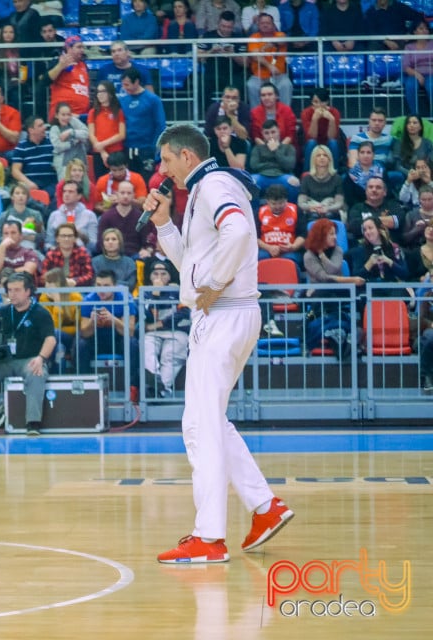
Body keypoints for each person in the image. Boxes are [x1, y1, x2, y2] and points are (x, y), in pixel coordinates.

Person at [145, 123, 293, 564]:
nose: (162, 168)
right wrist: (163, 224)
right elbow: (191, 261)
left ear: (187, 156)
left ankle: (209, 537)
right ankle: (265, 507)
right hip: (227, 313)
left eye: (167, 159)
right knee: (209, 421)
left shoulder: (213, 184)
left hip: (224, 312)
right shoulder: (206, 188)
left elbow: (239, 236)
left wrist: (212, 282)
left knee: (199, 427)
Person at [0, 271, 56, 435]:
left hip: (30, 359)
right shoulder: (3, 312)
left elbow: (50, 339)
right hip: (7, 361)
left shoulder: (41, 313)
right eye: (10, 290)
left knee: (36, 373)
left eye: (17, 290)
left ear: (28, 291)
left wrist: (41, 358)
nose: (13, 294)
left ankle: (33, 422)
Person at [75, 270, 138, 380]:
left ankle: (132, 386)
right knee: (80, 343)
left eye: (106, 286)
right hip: (97, 339)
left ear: (114, 286)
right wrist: (93, 321)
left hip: (117, 339)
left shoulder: (125, 299)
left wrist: (113, 319)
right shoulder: (89, 300)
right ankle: (85, 383)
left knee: (132, 343)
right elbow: (84, 333)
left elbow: (130, 331)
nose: (101, 290)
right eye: (98, 285)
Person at [143, 261, 190, 396]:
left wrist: (159, 324)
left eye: (163, 274)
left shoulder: (179, 292)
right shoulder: (145, 293)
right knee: (147, 349)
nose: (159, 277)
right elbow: (145, 316)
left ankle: (161, 390)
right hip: (153, 334)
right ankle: (156, 384)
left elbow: (184, 313)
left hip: (178, 332)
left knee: (170, 356)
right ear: (150, 277)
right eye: (155, 274)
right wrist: (155, 295)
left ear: (169, 277)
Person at [120, 68, 167, 180]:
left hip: (147, 149)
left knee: (147, 181)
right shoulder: (123, 100)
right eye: (123, 85)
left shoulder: (152, 100)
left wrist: (156, 148)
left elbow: (160, 125)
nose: (124, 88)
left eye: (127, 85)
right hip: (128, 148)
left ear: (136, 82)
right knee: (130, 182)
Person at [198, 11, 248, 111]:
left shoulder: (238, 38)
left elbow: (245, 63)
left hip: (233, 74)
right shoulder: (208, 36)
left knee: (241, 84)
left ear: (233, 26)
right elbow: (199, 58)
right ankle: (207, 115)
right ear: (218, 24)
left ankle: (237, 115)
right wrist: (212, 51)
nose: (225, 29)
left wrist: (233, 54)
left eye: (229, 27)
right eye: (223, 26)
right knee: (202, 84)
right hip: (212, 74)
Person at [348, 215, 409, 293]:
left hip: (391, 288)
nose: (367, 232)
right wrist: (369, 264)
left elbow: (405, 273)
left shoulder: (394, 248)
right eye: (365, 230)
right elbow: (356, 277)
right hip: (369, 289)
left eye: (370, 228)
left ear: (379, 229)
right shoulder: (359, 251)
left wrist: (389, 262)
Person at [40, 267, 83, 373]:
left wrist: (64, 330)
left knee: (55, 334)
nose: (47, 286)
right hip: (55, 339)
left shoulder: (76, 297)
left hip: (74, 339)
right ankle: (58, 381)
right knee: (59, 347)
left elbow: (80, 326)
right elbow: (52, 326)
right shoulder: (44, 299)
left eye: (51, 282)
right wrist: (57, 302)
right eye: (46, 282)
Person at [98, 181, 156, 258]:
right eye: (122, 193)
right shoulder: (107, 217)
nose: (125, 196)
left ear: (134, 195)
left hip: (135, 255)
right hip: (111, 255)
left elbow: (148, 241)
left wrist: (147, 251)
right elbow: (100, 242)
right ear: (117, 194)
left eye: (129, 193)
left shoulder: (141, 217)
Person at [303, 217, 364, 290]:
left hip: (338, 288)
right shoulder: (309, 256)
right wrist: (350, 280)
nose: (335, 237)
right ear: (320, 236)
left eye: (335, 234)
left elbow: (332, 270)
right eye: (331, 234)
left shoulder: (337, 250)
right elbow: (323, 278)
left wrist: (322, 256)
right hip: (318, 289)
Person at [256, 183, 306, 271]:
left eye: (281, 203)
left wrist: (293, 246)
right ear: (267, 201)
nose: (278, 207)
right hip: (266, 249)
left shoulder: (296, 210)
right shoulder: (259, 212)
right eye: (274, 204)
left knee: (290, 262)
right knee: (259, 259)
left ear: (286, 200)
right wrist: (269, 248)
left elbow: (303, 235)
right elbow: (254, 237)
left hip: (290, 250)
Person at [246, 14, 292, 109]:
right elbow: (255, 55)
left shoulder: (279, 34)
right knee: (251, 85)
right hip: (259, 76)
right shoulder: (253, 37)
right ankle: (257, 117)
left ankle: (285, 115)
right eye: (262, 23)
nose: (265, 25)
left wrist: (269, 44)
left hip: (279, 75)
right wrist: (269, 66)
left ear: (273, 24)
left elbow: (282, 41)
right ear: (258, 25)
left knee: (286, 85)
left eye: (268, 23)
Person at [249, 120, 300, 202]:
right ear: (262, 134)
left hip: (282, 176)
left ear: (279, 131)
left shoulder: (288, 148)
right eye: (267, 133)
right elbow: (254, 166)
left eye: (273, 132)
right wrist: (275, 165)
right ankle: (255, 213)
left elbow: (290, 166)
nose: (270, 136)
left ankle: (291, 211)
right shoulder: (257, 148)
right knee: (251, 182)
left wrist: (276, 151)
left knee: (294, 183)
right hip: (262, 176)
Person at [348, 176, 406, 245]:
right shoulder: (357, 208)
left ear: (385, 192)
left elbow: (398, 221)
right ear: (366, 191)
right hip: (365, 247)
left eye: (378, 187)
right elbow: (355, 227)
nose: (374, 190)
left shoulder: (393, 205)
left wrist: (368, 223)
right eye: (370, 187)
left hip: (391, 246)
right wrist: (385, 221)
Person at [87, 80, 126, 179]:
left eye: (103, 91)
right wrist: (102, 151)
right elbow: (91, 134)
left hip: (116, 152)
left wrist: (102, 144)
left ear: (110, 93)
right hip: (99, 153)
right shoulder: (93, 112)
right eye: (98, 92)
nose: (100, 95)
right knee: (101, 180)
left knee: (118, 180)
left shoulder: (118, 111)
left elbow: (121, 134)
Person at [11, 116, 57, 195]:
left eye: (44, 125)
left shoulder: (52, 142)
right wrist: (28, 183)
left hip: (51, 184)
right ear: (31, 130)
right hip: (31, 184)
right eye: (40, 126)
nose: (44, 128)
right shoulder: (21, 146)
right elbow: (15, 171)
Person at [46, 181, 98, 251]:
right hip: (59, 254)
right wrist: (55, 250)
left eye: (70, 192)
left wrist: (79, 234)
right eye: (64, 191)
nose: (66, 194)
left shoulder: (90, 215)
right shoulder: (54, 215)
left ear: (79, 196)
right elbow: (48, 244)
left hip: (82, 254)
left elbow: (94, 246)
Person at [47, 35, 90, 120]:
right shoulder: (58, 61)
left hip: (81, 116)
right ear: (69, 49)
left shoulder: (83, 65)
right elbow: (45, 81)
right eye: (79, 47)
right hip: (62, 116)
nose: (82, 50)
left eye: (82, 47)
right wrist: (60, 66)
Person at [39, 221, 94, 286]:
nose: (66, 239)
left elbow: (90, 275)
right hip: (56, 289)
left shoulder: (83, 253)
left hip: (77, 289)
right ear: (57, 239)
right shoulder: (50, 255)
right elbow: (43, 277)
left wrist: (75, 281)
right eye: (63, 236)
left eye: (70, 236)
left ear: (75, 238)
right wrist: (58, 282)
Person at [298, 145, 345, 221]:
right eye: (318, 155)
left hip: (330, 209)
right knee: (313, 216)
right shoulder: (306, 178)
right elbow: (301, 202)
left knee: (329, 216)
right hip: (312, 210)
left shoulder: (337, 178)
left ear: (329, 159)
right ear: (313, 159)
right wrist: (311, 207)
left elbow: (339, 203)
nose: (322, 157)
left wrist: (327, 208)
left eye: (325, 155)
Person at [0, 183, 44, 252]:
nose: (20, 196)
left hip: (31, 251)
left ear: (27, 197)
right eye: (17, 193)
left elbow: (42, 237)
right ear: (12, 196)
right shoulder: (4, 215)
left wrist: (23, 237)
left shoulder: (36, 215)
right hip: (9, 251)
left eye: (23, 193)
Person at [300, 88, 341, 171]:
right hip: (312, 144)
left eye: (322, 102)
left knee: (333, 143)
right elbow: (311, 136)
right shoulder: (306, 113)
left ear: (327, 102)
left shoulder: (335, 112)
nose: (319, 105)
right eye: (315, 102)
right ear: (311, 102)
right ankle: (307, 173)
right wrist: (315, 119)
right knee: (311, 143)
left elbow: (332, 137)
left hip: (328, 143)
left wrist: (331, 120)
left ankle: (334, 173)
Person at [50, 102, 89, 182]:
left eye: (68, 114)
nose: (66, 117)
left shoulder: (73, 121)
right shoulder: (54, 128)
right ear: (57, 115)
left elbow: (86, 133)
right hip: (63, 163)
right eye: (63, 115)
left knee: (82, 186)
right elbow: (58, 146)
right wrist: (73, 142)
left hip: (80, 160)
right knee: (66, 186)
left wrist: (71, 132)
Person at [249, 82, 296, 146]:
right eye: (263, 95)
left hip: (284, 148)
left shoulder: (286, 110)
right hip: (263, 149)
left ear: (276, 96)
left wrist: (278, 149)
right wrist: (267, 150)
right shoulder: (254, 113)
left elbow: (290, 135)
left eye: (270, 94)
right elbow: (256, 137)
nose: (266, 98)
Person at [92, 228, 138, 292]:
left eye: (114, 239)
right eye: (107, 240)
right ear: (103, 244)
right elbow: (93, 284)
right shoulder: (95, 262)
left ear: (120, 242)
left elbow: (131, 285)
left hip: (123, 298)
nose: (110, 242)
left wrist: (109, 284)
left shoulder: (129, 263)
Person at [344, 142, 386, 207]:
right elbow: (349, 199)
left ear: (373, 155)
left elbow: (387, 194)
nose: (365, 155)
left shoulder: (381, 171)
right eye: (362, 152)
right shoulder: (351, 174)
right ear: (358, 155)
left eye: (368, 152)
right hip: (358, 208)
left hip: (381, 207)